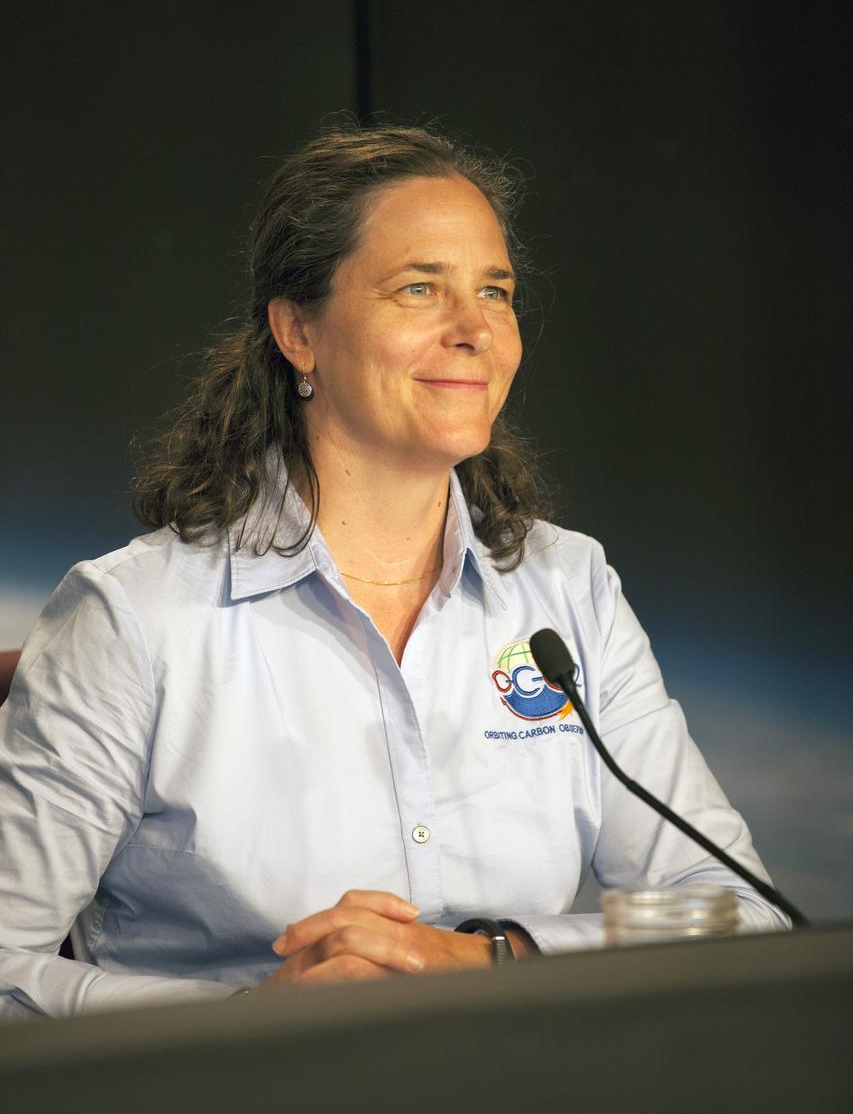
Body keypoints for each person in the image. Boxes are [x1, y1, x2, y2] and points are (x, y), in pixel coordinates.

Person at [0, 123, 786, 1021]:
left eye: (494, 291)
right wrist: (244, 1021)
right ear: (298, 331)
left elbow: (736, 914)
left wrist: (497, 957)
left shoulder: (570, 589)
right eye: (420, 289)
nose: (474, 332)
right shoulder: (135, 618)